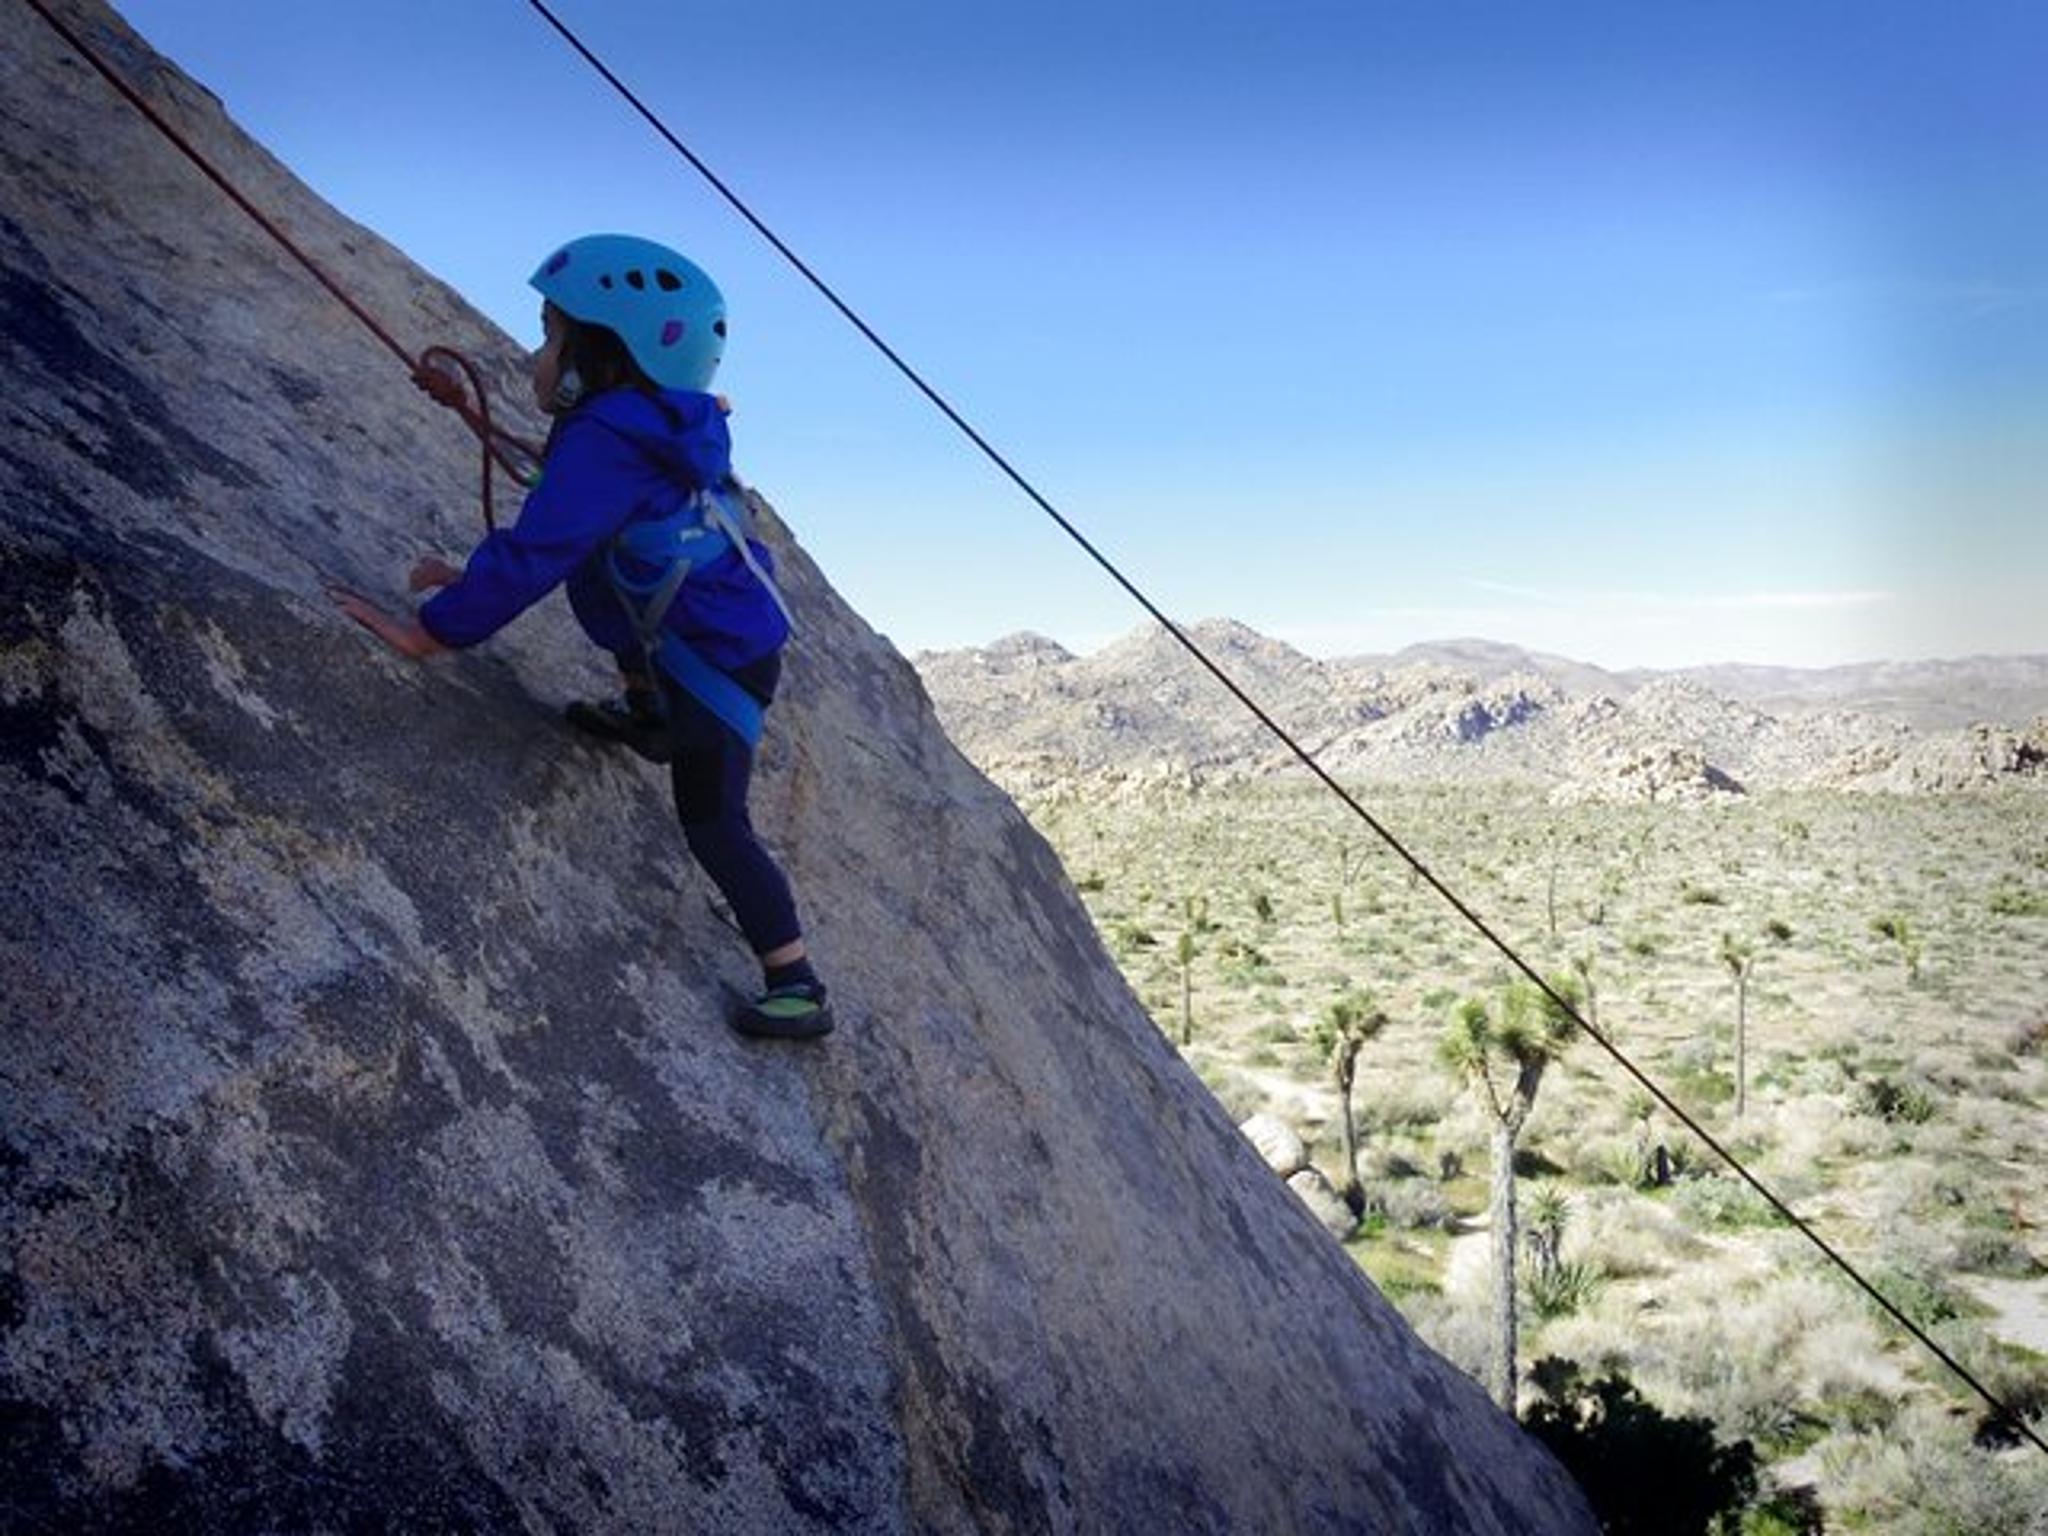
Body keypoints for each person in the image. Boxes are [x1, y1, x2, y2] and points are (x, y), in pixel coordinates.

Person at [331, 234, 831, 1040]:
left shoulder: (608, 437)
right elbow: (565, 508)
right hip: (711, 634)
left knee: (714, 822)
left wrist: (432, 632)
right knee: (602, 577)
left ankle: (797, 981)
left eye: (551, 333)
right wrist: (462, 412)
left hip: (718, 662)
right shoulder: (636, 423)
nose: (537, 352)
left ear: (600, 352)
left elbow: (537, 549)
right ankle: (647, 712)